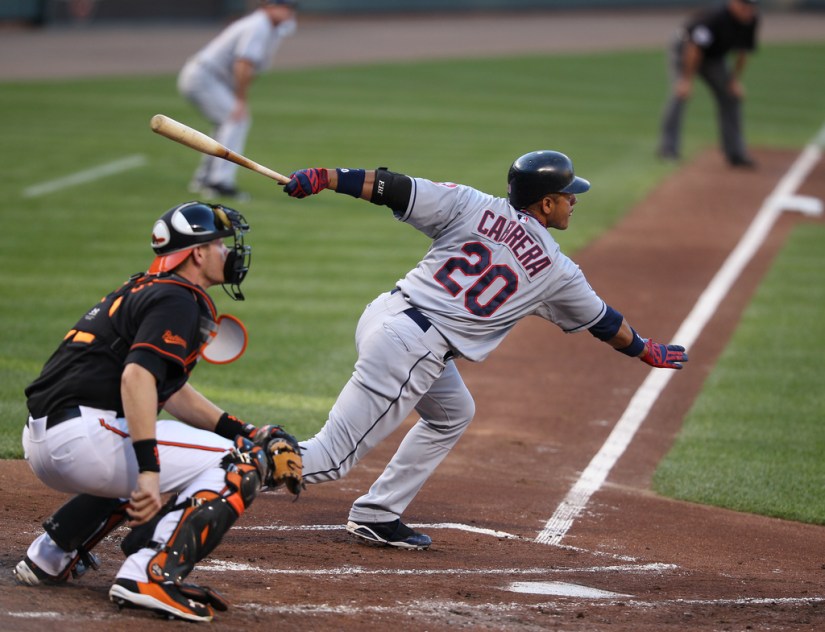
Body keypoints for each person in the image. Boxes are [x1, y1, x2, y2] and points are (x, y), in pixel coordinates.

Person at [281, 151, 689, 550]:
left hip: (385, 314)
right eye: (568, 195)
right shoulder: (557, 270)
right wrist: (646, 350)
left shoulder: (470, 203)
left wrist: (326, 177)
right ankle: (229, 467)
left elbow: (393, 187)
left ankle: (378, 513)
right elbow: (607, 323)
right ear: (546, 204)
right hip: (412, 347)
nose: (574, 201)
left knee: (453, 413)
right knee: (331, 458)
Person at [14, 201, 303, 622]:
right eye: (221, 245)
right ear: (198, 253)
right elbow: (136, 379)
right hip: (84, 439)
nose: (229, 253)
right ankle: (147, 574)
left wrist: (242, 428)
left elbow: (170, 389)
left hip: (51, 439)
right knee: (241, 463)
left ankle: (50, 556)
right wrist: (149, 472)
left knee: (175, 436)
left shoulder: (146, 288)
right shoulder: (180, 299)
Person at [178, 0, 298, 200]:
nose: (289, 11)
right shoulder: (258, 25)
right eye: (284, 6)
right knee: (236, 119)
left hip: (209, 77)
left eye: (291, 7)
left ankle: (205, 178)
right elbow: (243, 63)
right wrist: (240, 99)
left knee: (225, 124)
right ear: (269, 6)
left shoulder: (269, 27)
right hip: (204, 77)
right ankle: (219, 182)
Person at [657, 0, 760, 168]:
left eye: (751, 6)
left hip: (714, 58)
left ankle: (736, 153)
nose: (748, 10)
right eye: (744, 5)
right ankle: (668, 149)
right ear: (733, 3)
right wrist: (686, 80)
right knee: (680, 94)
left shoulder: (751, 20)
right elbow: (694, 49)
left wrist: (734, 81)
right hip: (685, 49)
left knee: (731, 97)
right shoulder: (714, 18)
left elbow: (743, 52)